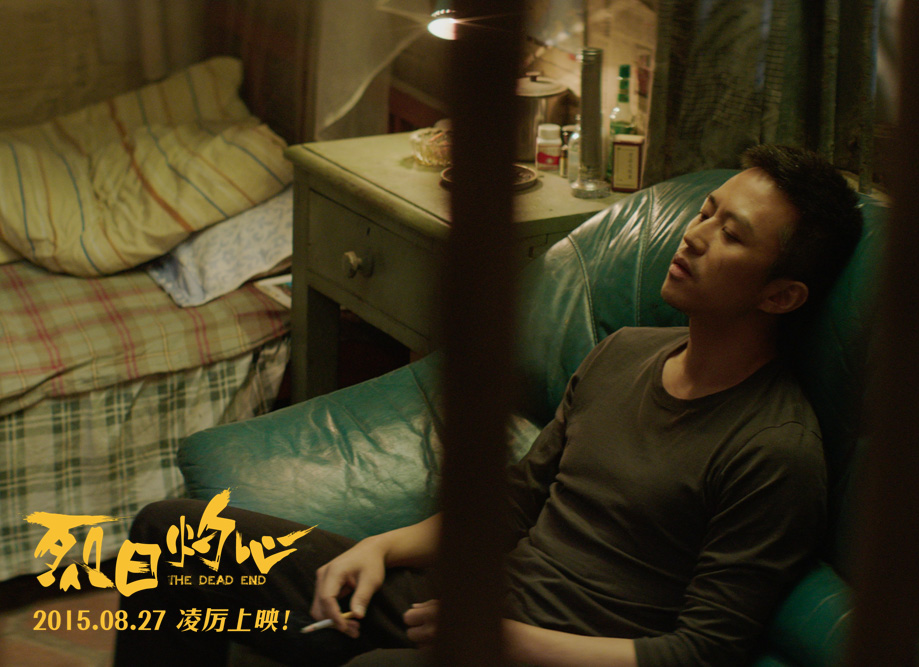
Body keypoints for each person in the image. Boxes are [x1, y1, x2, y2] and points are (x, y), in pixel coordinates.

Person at [114, 144, 862, 666]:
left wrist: (507, 642)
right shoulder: (624, 352)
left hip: (552, 650)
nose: (694, 237)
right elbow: (511, 506)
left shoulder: (774, 449)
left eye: (731, 235)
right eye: (705, 212)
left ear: (781, 295)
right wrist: (380, 548)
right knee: (170, 536)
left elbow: (701, 653)